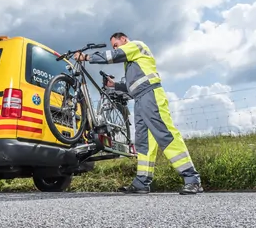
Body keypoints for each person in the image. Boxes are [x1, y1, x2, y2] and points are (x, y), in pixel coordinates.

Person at [73, 32, 203, 195]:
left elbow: (115, 55)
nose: (115, 48)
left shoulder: (136, 45)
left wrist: (86, 57)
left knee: (165, 134)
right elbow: (131, 86)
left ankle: (192, 179)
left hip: (151, 95)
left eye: (116, 44)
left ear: (124, 39)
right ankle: (142, 182)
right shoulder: (131, 64)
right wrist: (114, 85)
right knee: (143, 142)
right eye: (113, 46)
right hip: (140, 100)